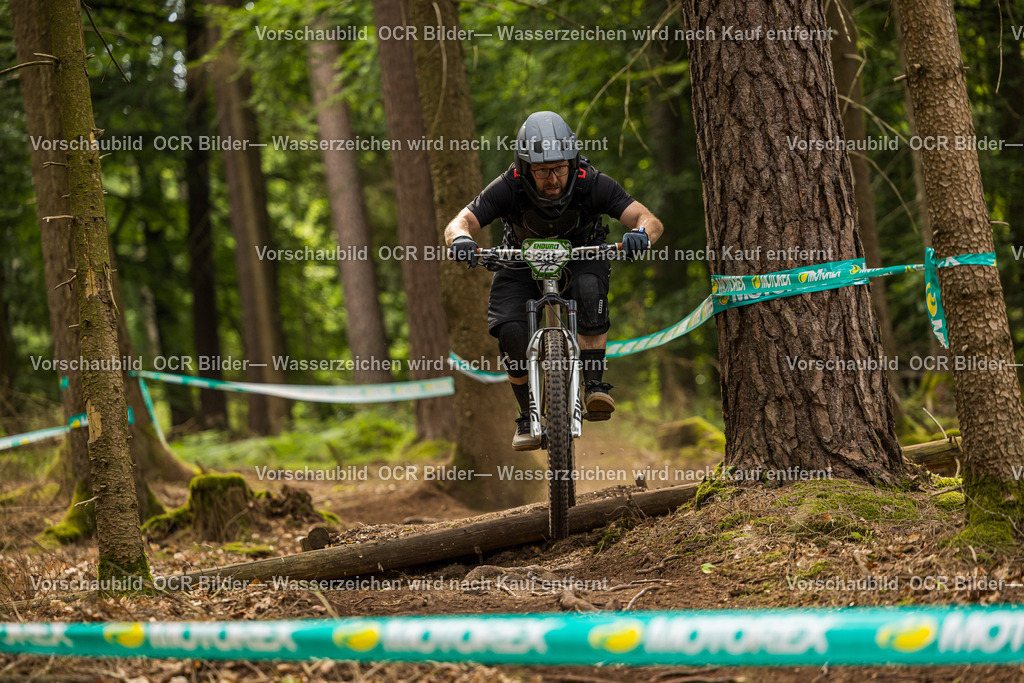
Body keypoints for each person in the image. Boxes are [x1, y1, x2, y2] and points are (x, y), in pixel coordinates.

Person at [444, 111, 663, 450]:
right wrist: (461, 239)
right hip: (520, 261)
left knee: (590, 291)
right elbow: (460, 221)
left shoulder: (592, 182)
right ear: (524, 166)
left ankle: (594, 388)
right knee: (512, 334)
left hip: (582, 257)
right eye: (542, 170)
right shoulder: (509, 185)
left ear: (572, 161)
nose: (553, 178)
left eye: (560, 167)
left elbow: (648, 219)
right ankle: (526, 413)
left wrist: (641, 235)